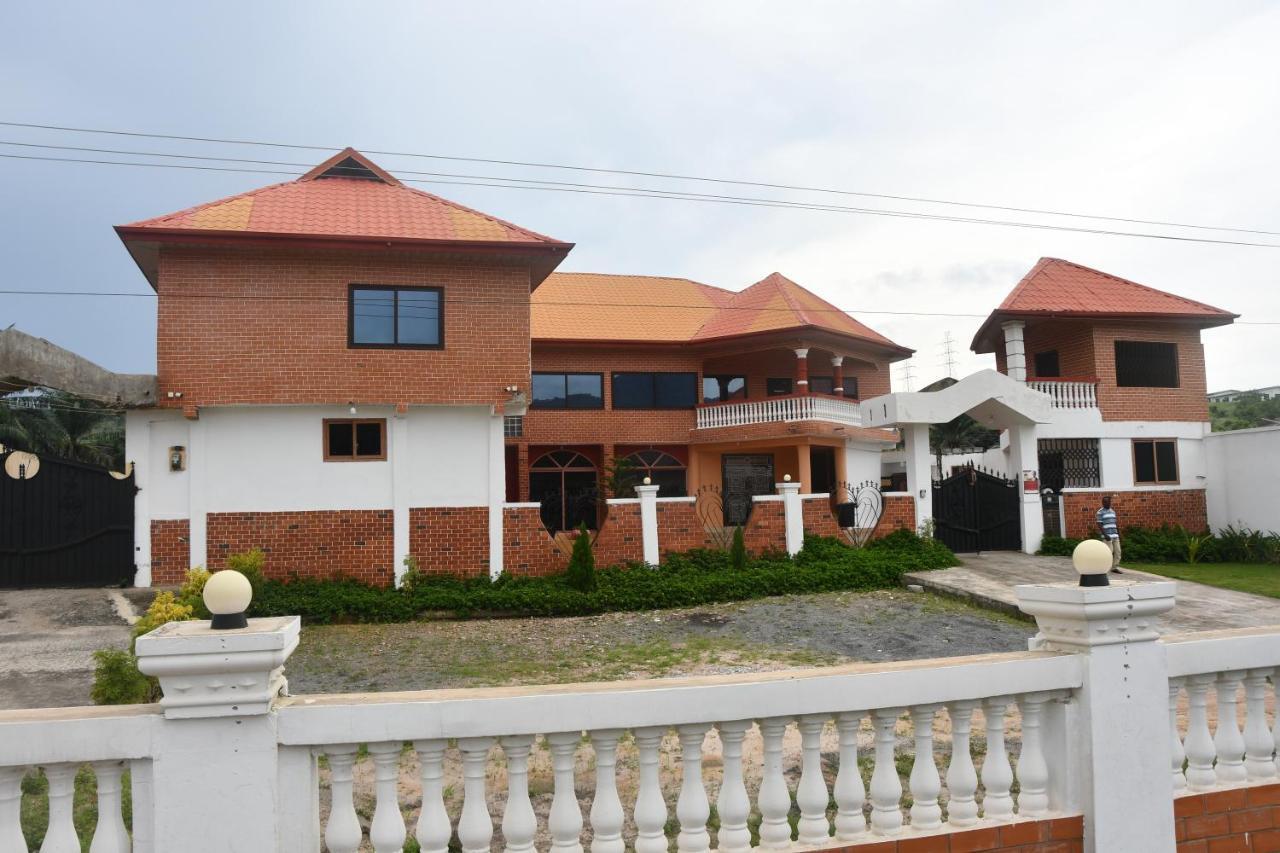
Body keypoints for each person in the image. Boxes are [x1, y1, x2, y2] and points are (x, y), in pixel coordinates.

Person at [1096, 495, 1122, 573]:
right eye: (1104, 502)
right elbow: (1099, 524)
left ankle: (1114, 567)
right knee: (1108, 553)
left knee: (1118, 552)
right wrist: (1105, 535)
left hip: (1115, 535)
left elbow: (1115, 523)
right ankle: (1103, 567)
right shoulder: (1100, 512)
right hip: (1107, 536)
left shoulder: (1113, 511)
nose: (1105, 503)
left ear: (1110, 502)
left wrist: (1119, 534)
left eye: (1107, 502)